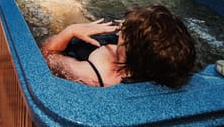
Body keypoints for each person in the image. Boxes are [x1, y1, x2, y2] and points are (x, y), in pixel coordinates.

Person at [41, 5, 196, 88]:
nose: (120, 27)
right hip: (97, 41)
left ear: (128, 46)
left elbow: (47, 55)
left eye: (124, 29)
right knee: (76, 9)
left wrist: (70, 31)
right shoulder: (152, 64)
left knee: (59, 11)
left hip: (72, 42)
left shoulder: (94, 75)